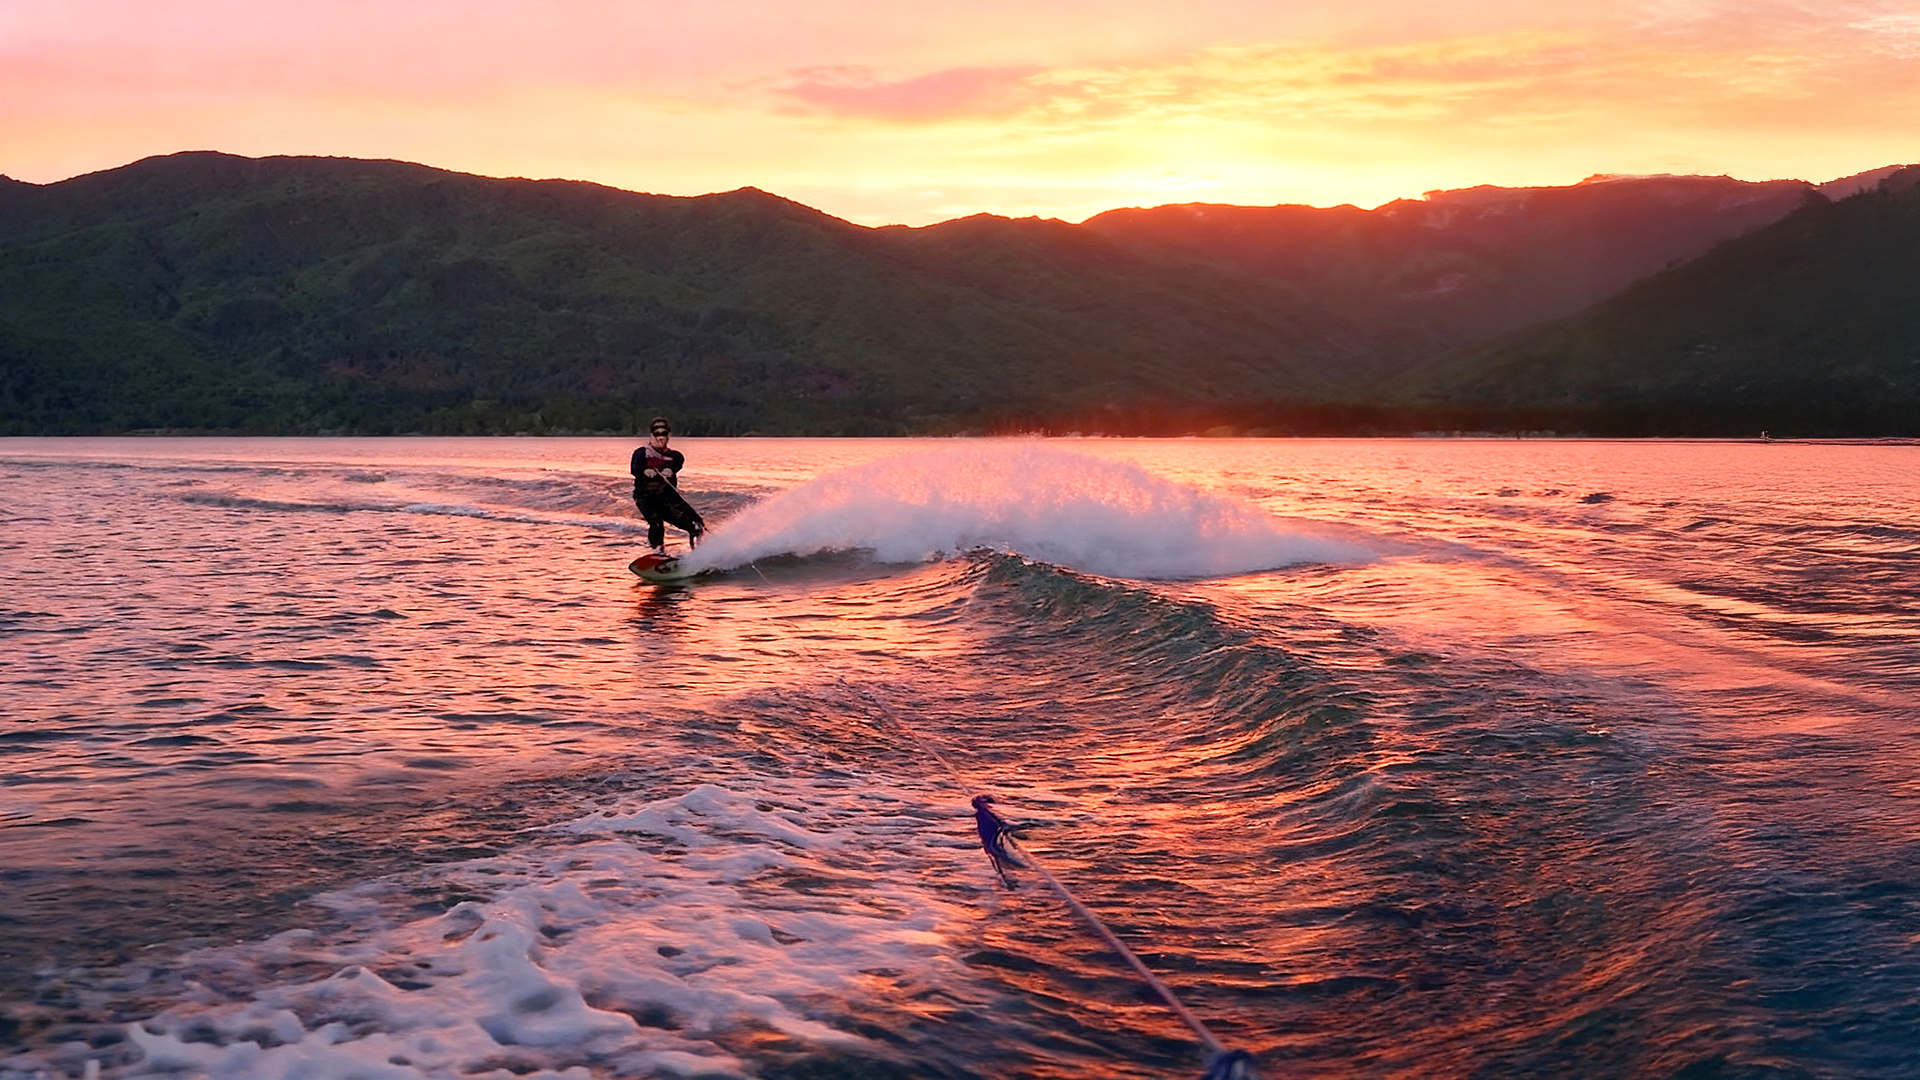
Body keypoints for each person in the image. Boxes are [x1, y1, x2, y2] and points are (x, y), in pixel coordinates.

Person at [630, 416, 705, 553]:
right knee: (656, 522)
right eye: (656, 433)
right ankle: (658, 551)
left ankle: (700, 554)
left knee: (697, 524)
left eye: (663, 433)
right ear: (651, 435)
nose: (660, 437)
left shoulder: (675, 456)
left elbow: (676, 463)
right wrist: (645, 471)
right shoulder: (641, 454)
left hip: (667, 498)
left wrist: (669, 469)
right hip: (645, 497)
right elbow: (635, 468)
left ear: (668, 435)